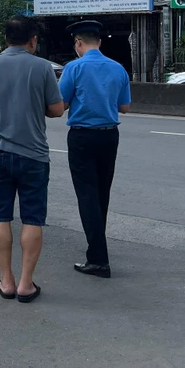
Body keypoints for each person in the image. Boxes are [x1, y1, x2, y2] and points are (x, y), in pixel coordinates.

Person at [0, 16, 64, 304]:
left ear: (5, 38)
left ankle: (6, 281)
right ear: (32, 40)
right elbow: (57, 110)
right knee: (32, 219)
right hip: (34, 155)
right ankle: (26, 284)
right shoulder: (42, 68)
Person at [59, 20, 131, 278]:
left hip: (81, 137)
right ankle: (97, 245)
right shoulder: (118, 69)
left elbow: (62, 104)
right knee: (102, 193)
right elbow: (125, 107)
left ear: (78, 43)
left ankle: (98, 258)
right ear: (99, 42)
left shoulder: (73, 68)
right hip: (110, 136)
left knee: (86, 195)